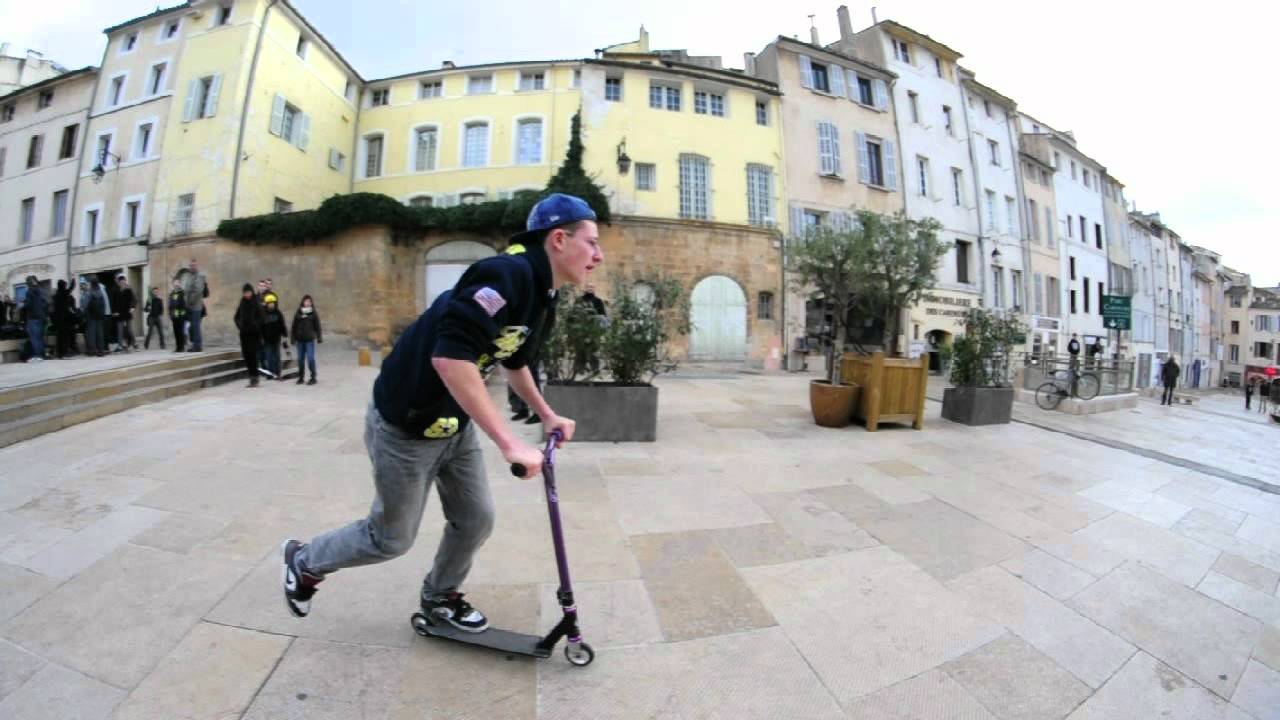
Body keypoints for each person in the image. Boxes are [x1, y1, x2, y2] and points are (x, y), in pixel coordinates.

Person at [280, 193, 602, 631]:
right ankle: (304, 559)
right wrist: (509, 443)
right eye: (592, 243)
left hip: (453, 424)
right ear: (560, 239)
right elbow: (450, 358)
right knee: (390, 539)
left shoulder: (545, 295)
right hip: (406, 424)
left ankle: (440, 597)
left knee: (475, 519)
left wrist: (545, 413)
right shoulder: (505, 273)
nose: (599, 256)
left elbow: (514, 359)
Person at [234, 284, 265, 387]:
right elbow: (236, 317)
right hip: (244, 333)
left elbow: (262, 317)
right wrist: (240, 325)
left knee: (252, 355)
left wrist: (255, 325)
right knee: (246, 355)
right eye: (245, 292)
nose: (247, 294)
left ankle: (255, 377)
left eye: (248, 292)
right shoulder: (242, 302)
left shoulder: (256, 302)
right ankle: (251, 376)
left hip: (254, 334)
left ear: (251, 292)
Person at [291, 294, 322, 385]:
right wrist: (293, 338)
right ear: (303, 302)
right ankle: (301, 377)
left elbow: (317, 326)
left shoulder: (313, 313)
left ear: (311, 303)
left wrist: (319, 337)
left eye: (309, 302)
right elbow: (294, 326)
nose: (307, 303)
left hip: (309, 339)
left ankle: (313, 376)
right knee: (300, 359)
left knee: (310, 358)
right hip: (300, 340)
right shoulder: (298, 313)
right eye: (306, 301)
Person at [183, 259, 209, 352]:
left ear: (197, 266)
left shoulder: (200, 276)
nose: (192, 267)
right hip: (189, 306)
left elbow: (198, 291)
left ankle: (197, 346)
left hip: (196, 305)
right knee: (192, 327)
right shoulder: (189, 276)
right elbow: (187, 290)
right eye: (191, 266)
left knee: (195, 326)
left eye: (194, 265)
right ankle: (196, 344)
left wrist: (191, 301)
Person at [261, 293, 288, 380]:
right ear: (267, 304)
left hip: (276, 339)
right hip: (267, 339)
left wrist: (285, 335)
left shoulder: (278, 313)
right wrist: (261, 337)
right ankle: (270, 373)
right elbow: (261, 327)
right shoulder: (263, 314)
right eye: (269, 303)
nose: (271, 304)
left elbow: (282, 325)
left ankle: (278, 373)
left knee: (277, 357)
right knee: (269, 357)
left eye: (272, 303)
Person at [22, 276, 49, 363]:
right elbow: (46, 303)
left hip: (33, 317)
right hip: (41, 317)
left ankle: (37, 356)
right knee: (40, 337)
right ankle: (41, 355)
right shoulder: (40, 291)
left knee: (34, 337)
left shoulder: (29, 292)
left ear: (28, 283)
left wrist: (23, 305)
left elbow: (28, 305)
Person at [52, 280, 78, 359]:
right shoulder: (63, 293)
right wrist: (73, 281)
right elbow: (71, 288)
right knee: (65, 337)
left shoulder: (56, 296)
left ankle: (60, 353)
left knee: (59, 337)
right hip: (65, 319)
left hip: (58, 319)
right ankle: (64, 353)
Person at [84, 279, 108, 356]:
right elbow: (104, 305)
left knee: (92, 334)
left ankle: (92, 350)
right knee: (100, 333)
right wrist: (103, 314)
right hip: (100, 316)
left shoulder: (89, 293)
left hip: (91, 316)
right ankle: (101, 350)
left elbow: (85, 305)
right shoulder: (101, 293)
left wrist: (86, 315)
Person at [115, 275, 137, 352]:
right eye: (121, 282)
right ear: (119, 282)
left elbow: (134, 300)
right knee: (120, 330)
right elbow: (115, 302)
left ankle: (135, 344)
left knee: (130, 330)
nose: (122, 283)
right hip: (120, 313)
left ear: (125, 281)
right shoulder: (117, 291)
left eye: (123, 281)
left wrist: (132, 308)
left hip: (128, 312)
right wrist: (115, 312)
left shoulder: (129, 290)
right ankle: (120, 345)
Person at [168, 279, 187, 352]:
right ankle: (177, 347)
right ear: (173, 285)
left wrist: (183, 314)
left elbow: (184, 304)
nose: (176, 285)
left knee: (180, 332)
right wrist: (170, 313)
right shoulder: (172, 294)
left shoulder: (182, 293)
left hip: (181, 316)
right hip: (174, 316)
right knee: (176, 332)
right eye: (175, 284)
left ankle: (181, 347)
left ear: (179, 284)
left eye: (177, 284)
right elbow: (170, 304)